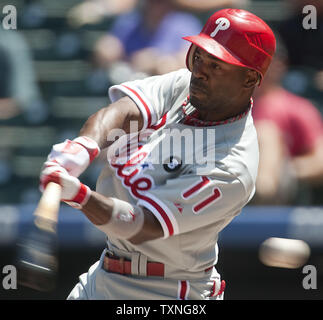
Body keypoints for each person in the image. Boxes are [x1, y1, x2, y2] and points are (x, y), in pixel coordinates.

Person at [40, 8, 276, 300]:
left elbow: (142, 225)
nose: (200, 70)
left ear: (250, 79)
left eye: (216, 66)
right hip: (105, 272)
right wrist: (83, 147)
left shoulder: (232, 164)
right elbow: (123, 111)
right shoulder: (185, 86)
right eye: (199, 55)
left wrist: (80, 196)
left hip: (168, 290)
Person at [252, 37, 323, 205]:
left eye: (267, 60)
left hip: (280, 193)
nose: (261, 66)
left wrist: (285, 170)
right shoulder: (230, 105)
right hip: (231, 177)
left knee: (266, 134)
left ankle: (259, 193)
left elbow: (320, 161)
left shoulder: (298, 108)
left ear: (281, 63)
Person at [93, 0, 202, 80]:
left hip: (164, 84)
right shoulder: (130, 20)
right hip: (129, 78)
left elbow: (190, 60)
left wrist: (156, 61)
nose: (155, 5)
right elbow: (109, 47)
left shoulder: (185, 23)